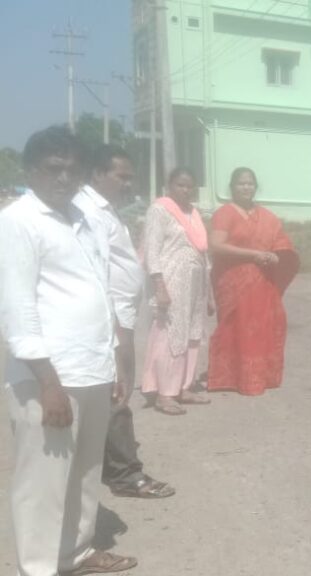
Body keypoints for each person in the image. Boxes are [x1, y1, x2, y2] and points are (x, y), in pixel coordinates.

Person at [0, 127, 137, 576]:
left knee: (85, 471)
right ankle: (37, 568)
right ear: (30, 171)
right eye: (53, 168)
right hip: (49, 377)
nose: (64, 178)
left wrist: (113, 360)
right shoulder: (18, 221)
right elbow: (18, 308)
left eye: (73, 170)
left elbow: (99, 286)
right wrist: (48, 383)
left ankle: (75, 553)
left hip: (92, 367)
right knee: (42, 483)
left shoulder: (82, 216)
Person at [73, 145, 175, 498]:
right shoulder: (89, 212)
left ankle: (113, 464)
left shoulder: (105, 210)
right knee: (117, 392)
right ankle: (126, 474)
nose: (128, 183)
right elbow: (96, 271)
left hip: (119, 315)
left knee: (113, 392)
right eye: (122, 176)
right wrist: (118, 327)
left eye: (131, 177)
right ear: (97, 174)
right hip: (110, 319)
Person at [208, 167, 299, 396]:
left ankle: (258, 376)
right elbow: (216, 246)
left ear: (255, 187)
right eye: (241, 183)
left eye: (249, 183)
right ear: (232, 187)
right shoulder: (225, 213)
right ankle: (232, 377)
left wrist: (276, 256)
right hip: (233, 281)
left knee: (261, 328)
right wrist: (253, 255)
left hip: (262, 281)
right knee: (235, 328)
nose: (246, 187)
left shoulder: (268, 217)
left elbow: (282, 245)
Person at [141, 167, 213, 415]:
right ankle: (164, 393)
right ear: (169, 186)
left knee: (192, 333)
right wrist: (159, 286)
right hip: (172, 281)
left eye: (190, 186)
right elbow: (151, 250)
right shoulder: (159, 210)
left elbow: (203, 252)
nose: (186, 190)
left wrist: (209, 293)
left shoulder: (193, 212)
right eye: (180, 185)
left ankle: (183, 386)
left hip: (195, 283)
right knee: (171, 334)